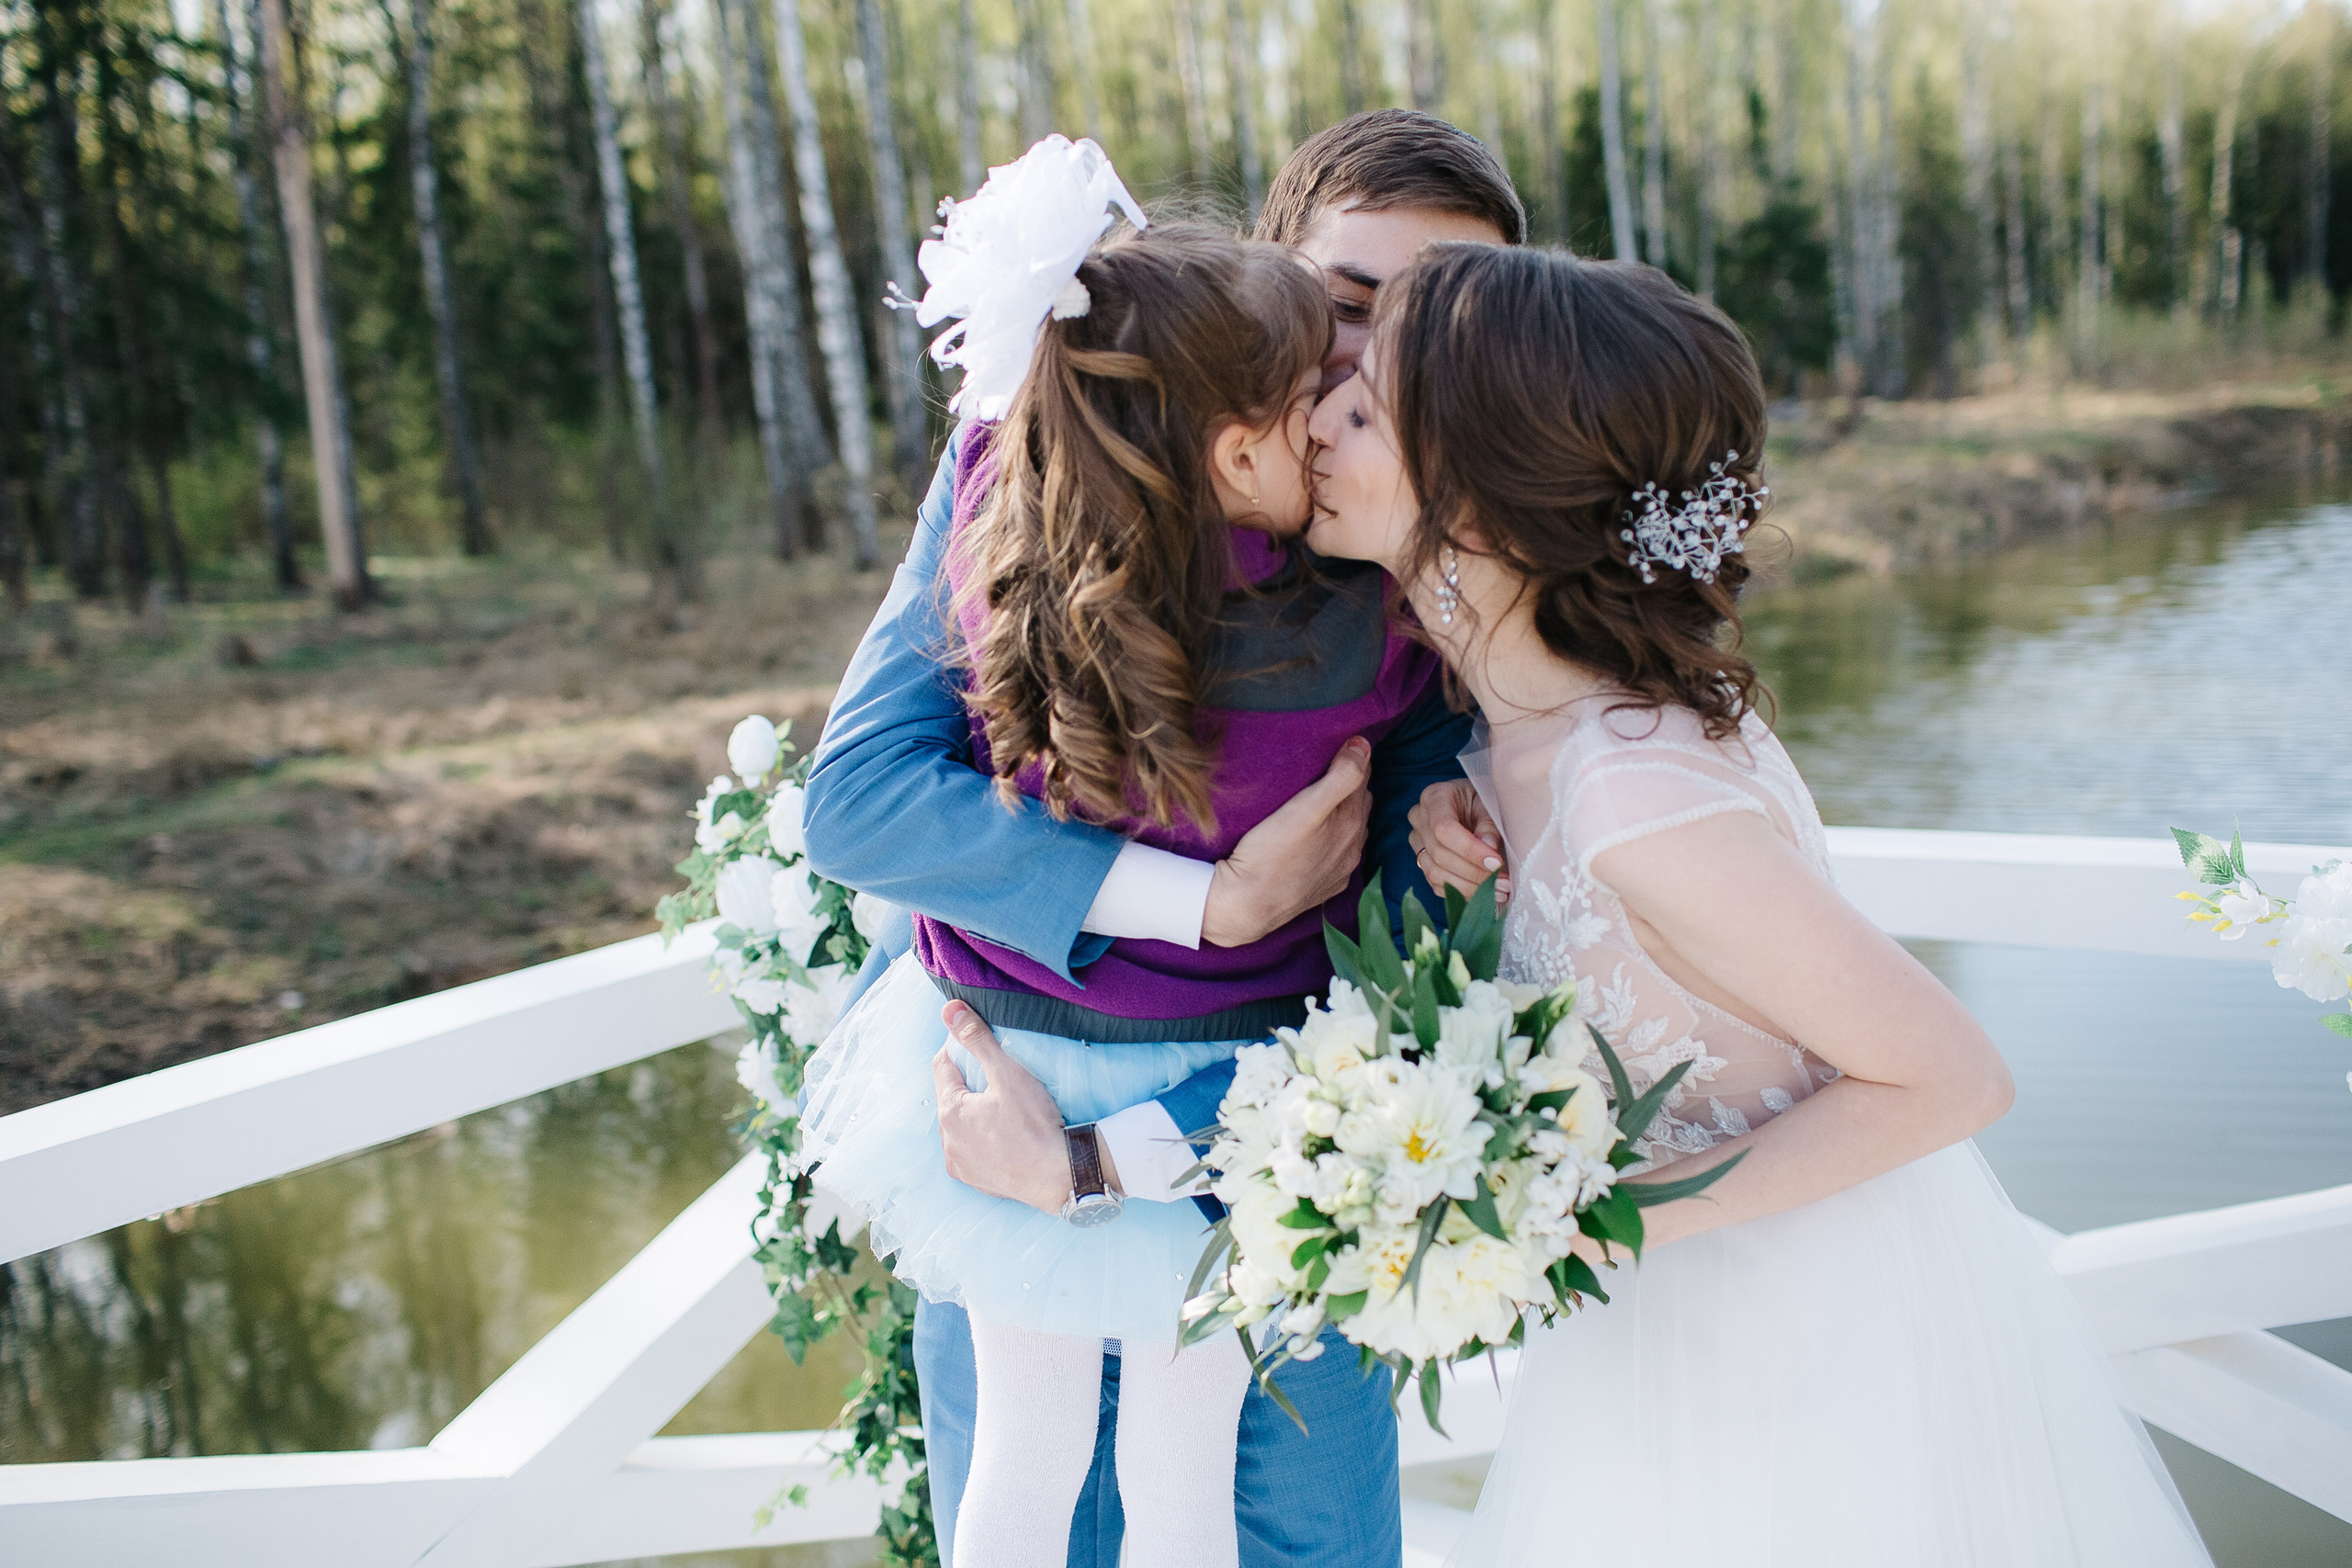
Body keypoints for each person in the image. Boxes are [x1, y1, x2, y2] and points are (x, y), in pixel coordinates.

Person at [1291, 243, 2213, 1564]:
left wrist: (1588, 1218)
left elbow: (1951, 1077)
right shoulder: (1516, 743)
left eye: (1365, 410)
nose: (1318, 418)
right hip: (1662, 1341)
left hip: (1808, 1356)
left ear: (1484, 505)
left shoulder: (1632, 794)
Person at [802, 109, 1523, 1568]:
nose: (1368, 370)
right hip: (1001, 1118)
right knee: (1026, 1503)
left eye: (1443, 329)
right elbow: (863, 798)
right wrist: (1206, 898)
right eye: (1347, 309)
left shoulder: (1438, 549)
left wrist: (1112, 1155)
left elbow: (1410, 970)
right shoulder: (1032, 450)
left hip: (1265, 1178)